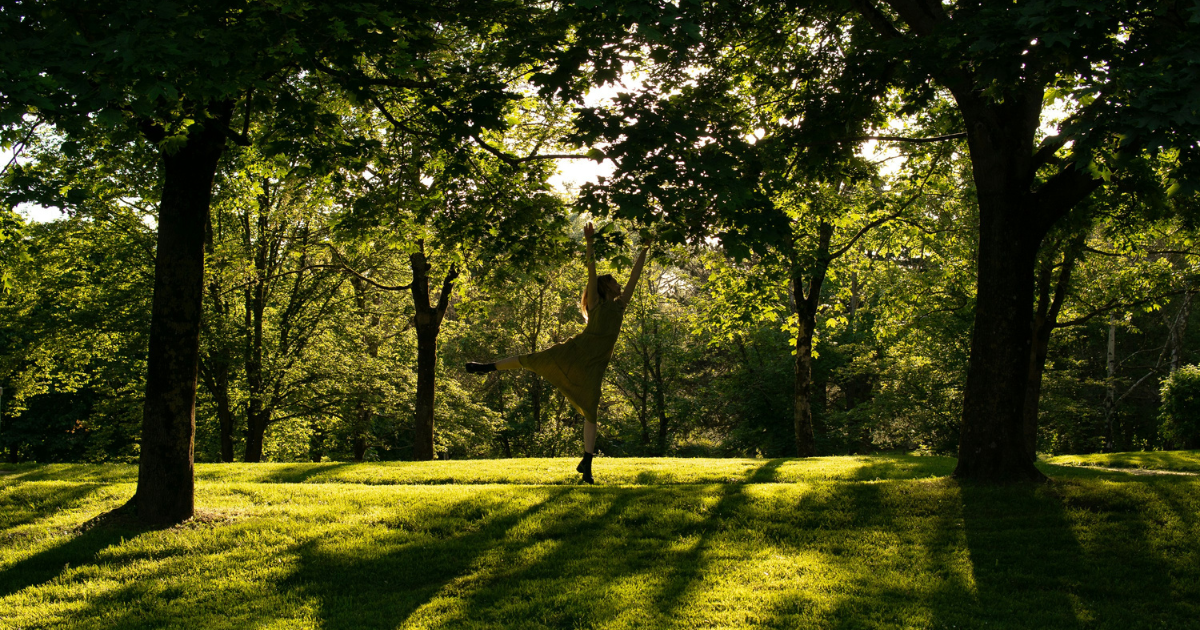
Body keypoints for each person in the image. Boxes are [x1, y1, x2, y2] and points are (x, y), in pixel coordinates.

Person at [466, 222, 649, 484]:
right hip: (576, 352)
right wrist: (589, 242)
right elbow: (592, 270)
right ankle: (487, 367)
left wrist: (644, 248)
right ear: (606, 287)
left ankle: (587, 464)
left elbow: (635, 275)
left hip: (595, 365)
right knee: (534, 360)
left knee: (591, 412)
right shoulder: (597, 304)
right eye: (614, 281)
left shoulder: (620, 306)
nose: (620, 283)